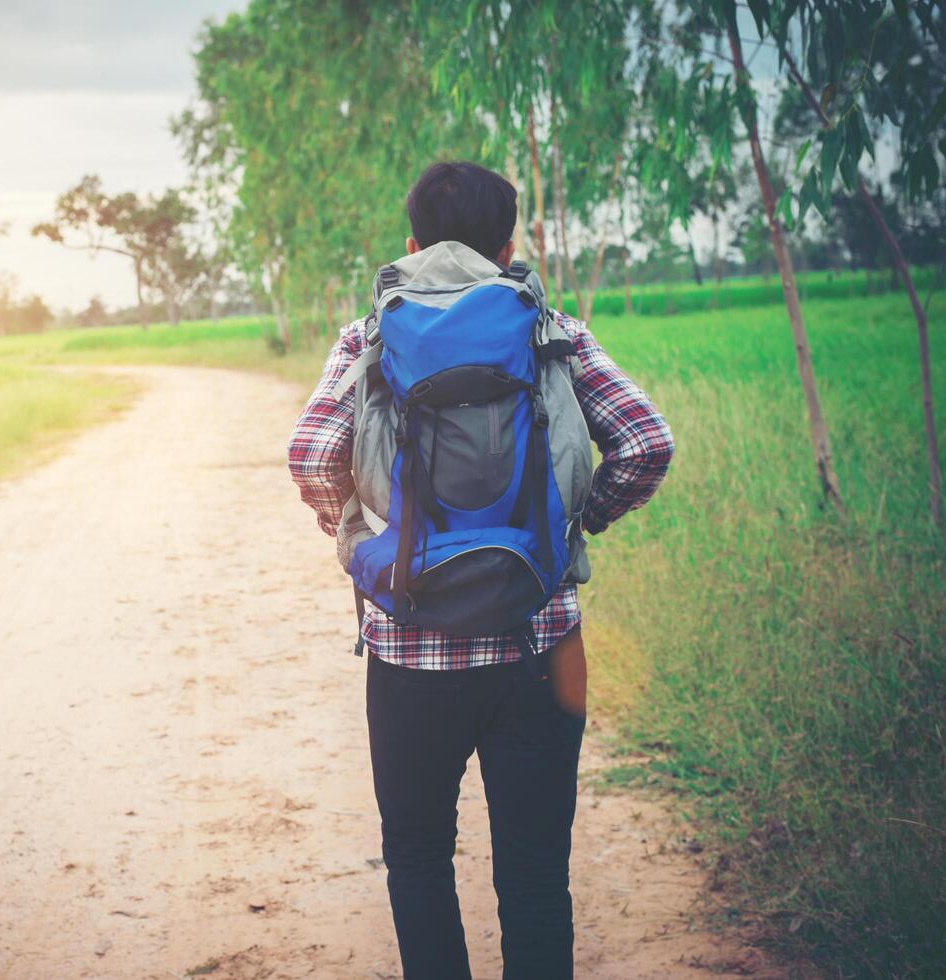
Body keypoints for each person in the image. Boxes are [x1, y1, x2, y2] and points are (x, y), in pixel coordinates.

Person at [287, 160, 674, 979]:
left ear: (412, 244)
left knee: (419, 857)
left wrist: (358, 539)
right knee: (535, 874)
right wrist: (577, 525)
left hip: (410, 648)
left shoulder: (368, 337)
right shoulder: (552, 331)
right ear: (507, 249)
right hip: (540, 645)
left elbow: (311, 454)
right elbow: (645, 444)